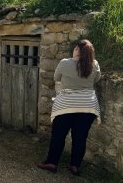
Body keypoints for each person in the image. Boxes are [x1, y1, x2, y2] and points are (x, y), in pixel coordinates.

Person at [38, 39, 101, 176]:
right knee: (80, 138)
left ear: (77, 49)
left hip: (66, 106)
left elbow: (56, 77)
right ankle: (75, 166)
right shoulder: (94, 64)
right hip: (88, 106)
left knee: (58, 136)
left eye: (75, 48)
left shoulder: (65, 63)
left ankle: (52, 163)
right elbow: (96, 80)